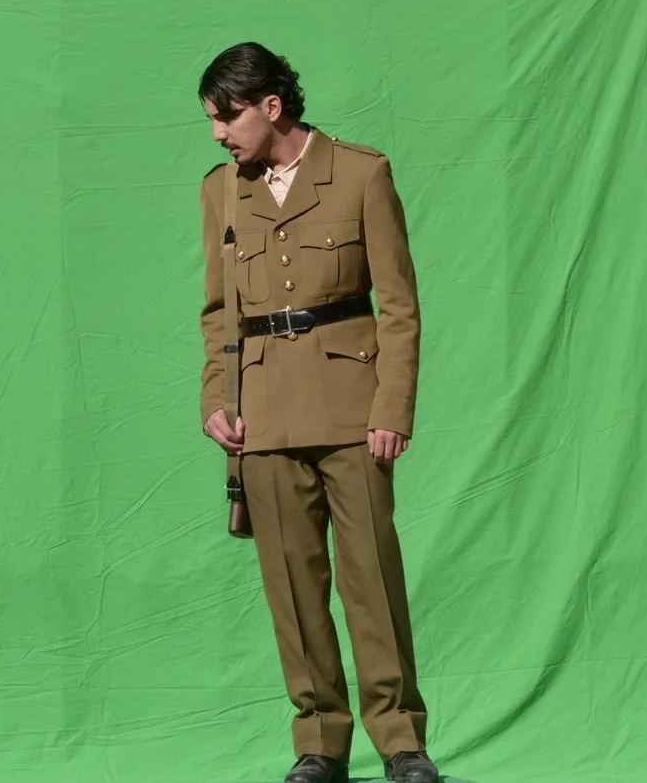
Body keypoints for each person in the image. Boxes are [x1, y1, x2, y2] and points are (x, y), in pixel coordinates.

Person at [195, 42, 440, 783]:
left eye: (227, 115)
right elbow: (217, 312)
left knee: (371, 575)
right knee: (293, 590)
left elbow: (398, 306)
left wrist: (392, 405)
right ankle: (318, 745)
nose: (218, 133)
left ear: (272, 105)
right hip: (262, 414)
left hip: (351, 407)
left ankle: (402, 742)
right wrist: (217, 398)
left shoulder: (362, 174)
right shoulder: (220, 191)